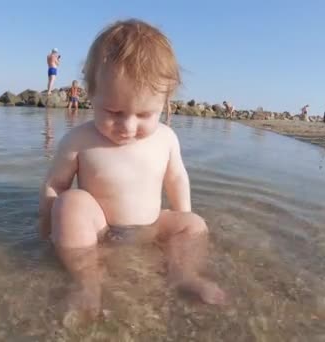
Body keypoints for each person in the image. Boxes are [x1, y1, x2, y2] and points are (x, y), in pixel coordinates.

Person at [38, 19, 225, 322]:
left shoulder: (166, 138)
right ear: (90, 95)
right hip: (101, 227)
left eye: (144, 114)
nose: (127, 126)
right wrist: (46, 226)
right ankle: (87, 281)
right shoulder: (79, 139)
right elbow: (55, 184)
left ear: (165, 104)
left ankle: (183, 274)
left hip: (152, 226)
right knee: (70, 203)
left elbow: (177, 178)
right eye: (113, 112)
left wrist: (183, 216)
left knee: (195, 225)